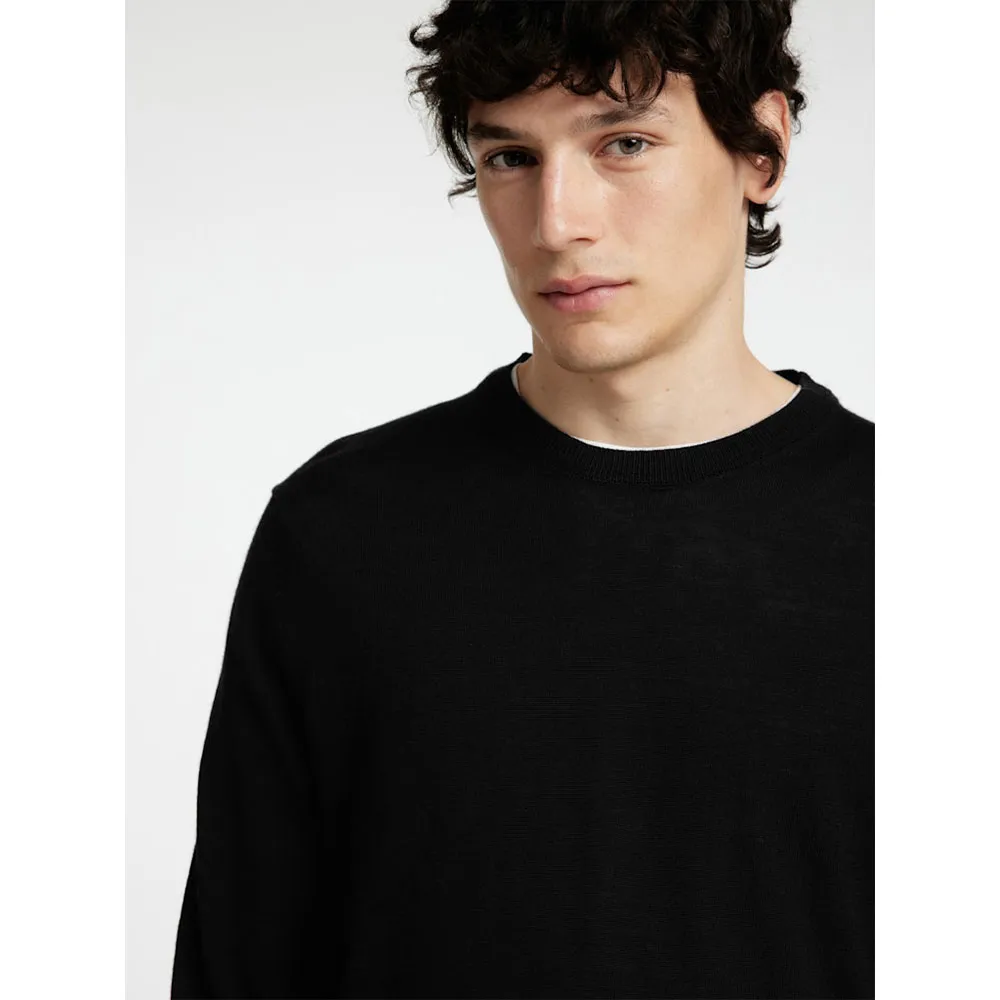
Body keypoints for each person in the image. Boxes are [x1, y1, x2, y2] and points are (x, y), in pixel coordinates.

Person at [171, 1, 873, 997]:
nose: (556, 223)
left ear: (762, 147)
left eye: (623, 143)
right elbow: (238, 959)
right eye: (509, 157)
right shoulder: (344, 531)